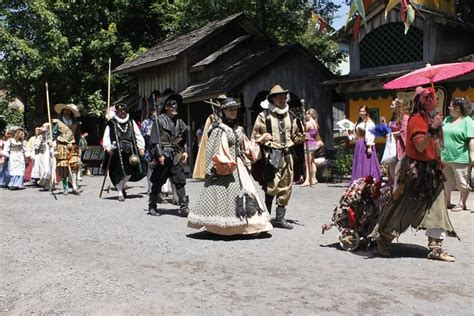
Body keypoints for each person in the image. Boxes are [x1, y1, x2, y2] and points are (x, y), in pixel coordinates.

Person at [369, 87, 457, 262]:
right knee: (404, 207)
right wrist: (432, 128)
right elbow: (420, 146)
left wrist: (439, 150)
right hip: (414, 172)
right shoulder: (416, 120)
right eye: (432, 98)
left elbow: (436, 145)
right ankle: (383, 237)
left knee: (437, 206)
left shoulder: (431, 118)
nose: (436, 101)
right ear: (424, 102)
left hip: (432, 171)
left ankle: (435, 247)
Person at [187, 98, 273, 235]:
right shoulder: (219, 130)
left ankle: (250, 226)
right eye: (230, 109)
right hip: (224, 167)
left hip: (239, 166)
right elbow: (212, 150)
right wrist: (216, 167)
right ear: (224, 111)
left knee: (248, 192)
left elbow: (246, 146)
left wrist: (259, 140)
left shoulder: (239, 129)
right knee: (223, 197)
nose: (233, 112)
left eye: (235, 109)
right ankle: (223, 228)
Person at [251, 84, 305, 229]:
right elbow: (254, 136)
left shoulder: (292, 116)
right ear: (272, 99)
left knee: (286, 187)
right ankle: (267, 217)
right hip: (272, 155)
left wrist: (302, 138)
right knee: (271, 185)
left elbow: (295, 137)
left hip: (288, 155)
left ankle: (280, 218)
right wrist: (263, 137)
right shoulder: (264, 116)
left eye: (284, 97)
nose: (282, 99)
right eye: (279, 97)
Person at [147, 93, 189, 216]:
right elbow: (154, 140)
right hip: (163, 155)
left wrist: (185, 151)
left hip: (176, 155)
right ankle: (152, 206)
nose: (174, 107)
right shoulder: (159, 121)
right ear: (166, 107)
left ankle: (184, 207)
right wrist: (159, 155)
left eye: (176, 104)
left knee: (180, 181)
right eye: (171, 104)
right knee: (158, 181)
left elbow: (184, 139)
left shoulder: (180, 122)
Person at [103, 103, 145, 201]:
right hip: (116, 152)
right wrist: (108, 147)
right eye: (120, 111)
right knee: (118, 172)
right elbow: (106, 136)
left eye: (124, 111)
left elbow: (138, 134)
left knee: (129, 172)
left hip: (131, 151)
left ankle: (121, 187)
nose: (122, 112)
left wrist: (141, 147)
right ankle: (120, 192)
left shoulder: (131, 122)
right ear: (116, 112)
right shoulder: (111, 123)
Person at [441, 97, 474, 211]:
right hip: (445, 157)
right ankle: (447, 202)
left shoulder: (467, 120)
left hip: (460, 157)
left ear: (458, 108)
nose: (449, 107)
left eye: (451, 106)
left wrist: (472, 155)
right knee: (446, 182)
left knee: (462, 183)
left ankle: (462, 203)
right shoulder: (447, 119)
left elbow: (471, 139)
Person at [51, 103, 82, 195]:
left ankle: (74, 186)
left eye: (69, 111)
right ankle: (65, 188)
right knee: (64, 167)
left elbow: (78, 136)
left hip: (73, 145)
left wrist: (78, 144)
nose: (67, 112)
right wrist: (51, 140)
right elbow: (53, 134)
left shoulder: (76, 123)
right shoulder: (57, 122)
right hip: (62, 145)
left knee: (75, 165)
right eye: (66, 110)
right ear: (63, 111)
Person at [192, 94, 226, 180]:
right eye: (220, 101)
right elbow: (208, 132)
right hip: (215, 141)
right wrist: (215, 125)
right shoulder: (212, 117)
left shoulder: (226, 115)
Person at [349, 105, 382, 184]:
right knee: (359, 163)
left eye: (363, 111)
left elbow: (370, 135)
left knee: (366, 162)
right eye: (360, 111)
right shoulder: (358, 122)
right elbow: (356, 136)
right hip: (359, 145)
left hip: (365, 145)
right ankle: (358, 180)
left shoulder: (369, 122)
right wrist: (350, 134)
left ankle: (368, 181)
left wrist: (369, 146)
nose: (362, 113)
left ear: (367, 112)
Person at [386, 98, 409, 185]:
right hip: (392, 144)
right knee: (391, 166)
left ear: (398, 107)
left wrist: (393, 134)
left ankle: (399, 186)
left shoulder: (405, 117)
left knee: (399, 168)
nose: (390, 106)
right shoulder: (393, 117)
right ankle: (393, 187)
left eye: (392, 105)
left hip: (400, 144)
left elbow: (405, 131)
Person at [301, 108, 319, 186]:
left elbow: (304, 132)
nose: (306, 116)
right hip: (314, 143)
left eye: (306, 114)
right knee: (312, 162)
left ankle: (307, 180)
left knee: (307, 163)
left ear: (309, 114)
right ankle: (314, 178)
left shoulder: (308, 123)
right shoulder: (316, 123)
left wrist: (302, 125)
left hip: (308, 144)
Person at [33, 123, 53, 191]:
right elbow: (36, 147)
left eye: (47, 127)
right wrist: (41, 140)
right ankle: (42, 182)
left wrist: (51, 144)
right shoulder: (39, 137)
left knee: (49, 170)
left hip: (49, 155)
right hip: (42, 155)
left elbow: (54, 145)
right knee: (44, 170)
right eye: (44, 127)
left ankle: (47, 185)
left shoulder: (51, 136)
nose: (46, 129)